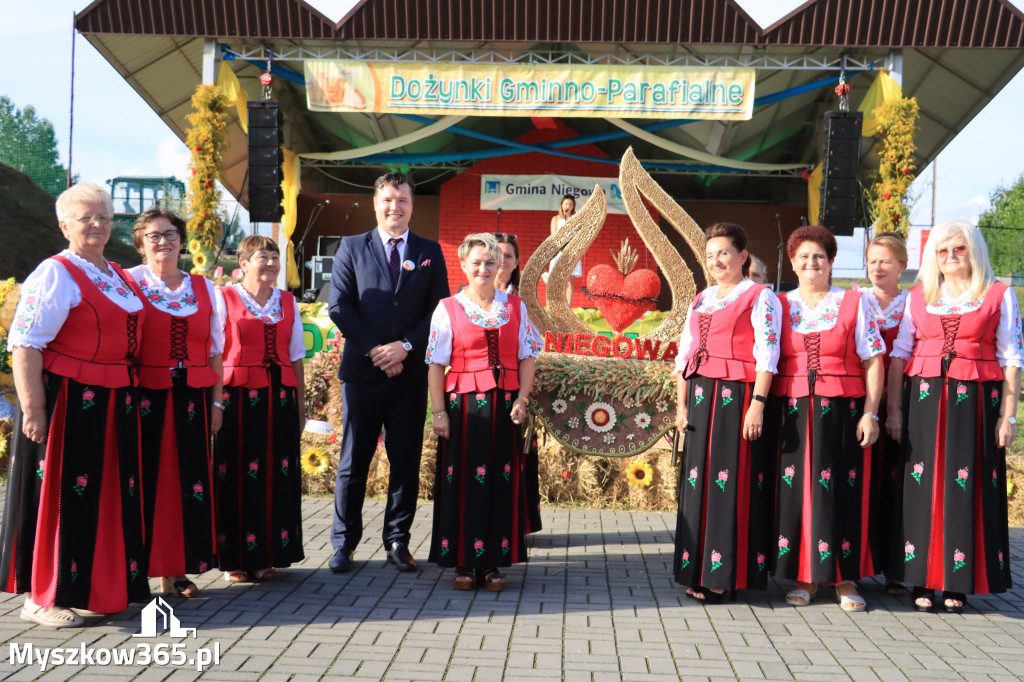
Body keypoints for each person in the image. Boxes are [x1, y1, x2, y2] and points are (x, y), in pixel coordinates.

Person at [0, 183, 150, 627]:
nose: (99, 225)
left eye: (104, 216)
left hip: (113, 401)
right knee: (61, 496)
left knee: (103, 497)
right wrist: (34, 409)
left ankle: (95, 587)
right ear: (64, 225)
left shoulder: (117, 273)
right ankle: (41, 596)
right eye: (86, 218)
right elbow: (25, 343)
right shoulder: (55, 273)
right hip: (70, 401)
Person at [886, 221, 1022, 613]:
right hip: (923, 402)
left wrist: (1007, 418)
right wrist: (894, 411)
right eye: (942, 251)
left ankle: (957, 581)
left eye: (958, 249)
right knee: (921, 485)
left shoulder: (998, 295)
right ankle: (923, 577)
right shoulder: (919, 296)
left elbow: (1011, 359)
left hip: (974, 401)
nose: (950, 258)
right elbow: (900, 356)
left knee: (965, 486)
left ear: (973, 251)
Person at [328, 172, 449, 574]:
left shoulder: (430, 251)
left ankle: (397, 540)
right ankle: (344, 544)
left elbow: (440, 310)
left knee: (405, 461)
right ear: (375, 203)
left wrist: (406, 347)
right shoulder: (351, 247)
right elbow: (340, 306)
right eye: (387, 200)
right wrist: (378, 351)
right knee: (353, 462)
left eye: (402, 200)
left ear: (412, 206)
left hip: (410, 376)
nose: (394, 207)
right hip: (363, 374)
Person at [770, 225, 885, 612]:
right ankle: (805, 575)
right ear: (793, 262)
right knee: (797, 491)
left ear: (832, 261)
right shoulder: (778, 304)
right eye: (803, 256)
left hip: (842, 410)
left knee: (843, 492)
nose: (811, 262)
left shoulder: (855, 302)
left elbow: (873, 361)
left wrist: (871, 413)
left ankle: (846, 578)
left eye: (819, 256)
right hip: (793, 410)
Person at [426, 233, 542, 590]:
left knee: (501, 480)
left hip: (505, 407)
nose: (483, 268)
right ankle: (463, 561)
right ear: (463, 265)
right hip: (463, 407)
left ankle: (492, 562)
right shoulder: (447, 308)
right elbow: (434, 365)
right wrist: (439, 414)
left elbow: (528, 356)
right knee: (462, 480)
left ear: (501, 266)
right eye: (476, 262)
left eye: (490, 262)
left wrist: (522, 398)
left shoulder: (516, 307)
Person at [673, 223, 781, 603]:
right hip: (701, 395)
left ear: (742, 256)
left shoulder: (760, 297)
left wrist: (758, 404)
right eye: (710, 255)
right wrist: (681, 405)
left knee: (727, 483)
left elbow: (768, 354)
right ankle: (696, 568)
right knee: (699, 484)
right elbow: (684, 355)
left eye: (723, 253)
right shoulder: (701, 299)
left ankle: (723, 575)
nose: (716, 261)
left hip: (737, 397)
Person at [126, 209, 222, 598]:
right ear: (140, 243)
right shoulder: (127, 282)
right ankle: (136, 571)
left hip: (193, 396)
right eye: (153, 235)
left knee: (189, 480)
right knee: (143, 480)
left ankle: (176, 571)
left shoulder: (203, 287)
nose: (163, 241)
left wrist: (217, 404)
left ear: (182, 241)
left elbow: (216, 349)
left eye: (170, 234)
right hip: (143, 395)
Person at [213, 235, 306, 582]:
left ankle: (267, 554)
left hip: (279, 397)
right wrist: (215, 401)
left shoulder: (287, 302)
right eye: (261, 257)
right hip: (237, 396)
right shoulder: (224, 298)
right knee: (235, 472)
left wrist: (299, 406)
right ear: (244, 263)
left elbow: (296, 355)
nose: (269, 263)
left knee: (275, 473)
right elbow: (215, 353)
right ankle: (235, 557)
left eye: (273, 257)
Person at [860, 233, 909, 596]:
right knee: (860, 485)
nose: (878, 267)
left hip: (904, 406)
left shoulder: (916, 304)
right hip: (860, 405)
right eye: (873, 260)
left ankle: (896, 569)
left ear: (902, 266)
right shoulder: (854, 301)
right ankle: (855, 562)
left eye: (886, 261)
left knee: (898, 487)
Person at [494, 232, 543, 534]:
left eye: (508, 256)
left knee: (516, 459)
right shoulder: (465, 298)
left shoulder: (523, 302)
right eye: (495, 254)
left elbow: (534, 347)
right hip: (476, 389)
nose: (501, 261)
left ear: (516, 263)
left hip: (514, 388)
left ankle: (517, 523)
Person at [548, 195, 583, 306]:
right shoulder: (556, 219)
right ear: (562, 205)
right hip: (559, 252)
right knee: (557, 279)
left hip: (571, 251)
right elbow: (553, 235)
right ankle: (556, 305)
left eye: (570, 204)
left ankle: (568, 307)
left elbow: (579, 234)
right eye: (566, 204)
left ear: (573, 207)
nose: (568, 206)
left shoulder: (576, 219)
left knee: (569, 279)